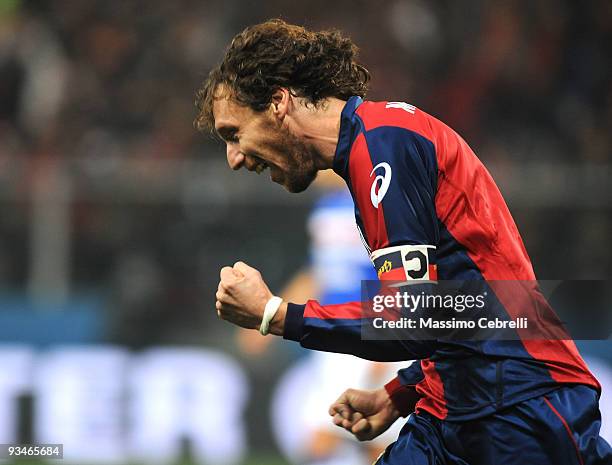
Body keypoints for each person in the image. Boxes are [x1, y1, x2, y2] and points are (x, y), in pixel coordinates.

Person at [195, 19, 611, 465]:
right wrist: (399, 393)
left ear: (278, 102)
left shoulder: (384, 150)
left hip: (520, 410)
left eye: (233, 134)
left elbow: (416, 319)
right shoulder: (373, 148)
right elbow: (466, 302)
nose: (234, 158)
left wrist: (276, 315)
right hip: (454, 409)